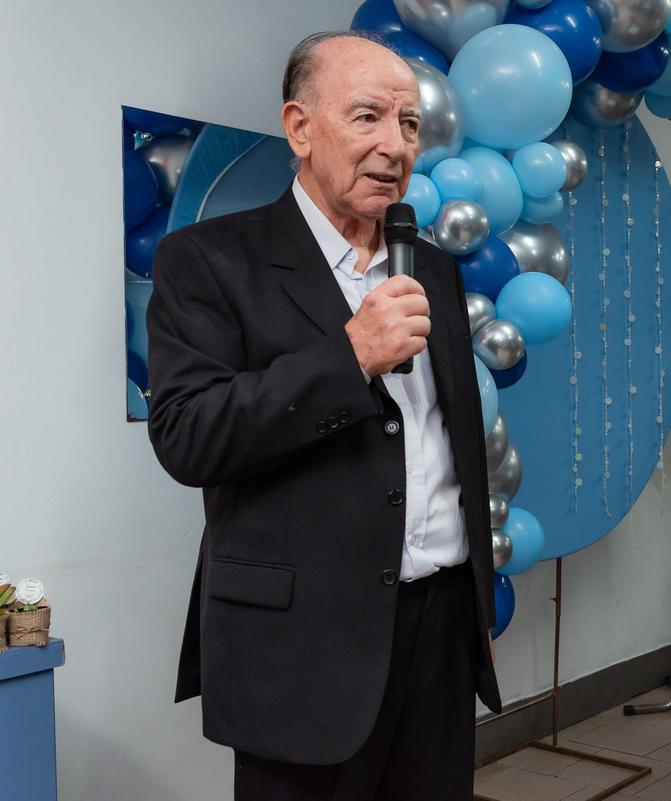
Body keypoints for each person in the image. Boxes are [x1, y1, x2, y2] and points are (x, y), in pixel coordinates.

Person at [146, 30, 500, 801]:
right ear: (300, 128)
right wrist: (351, 357)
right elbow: (187, 433)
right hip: (300, 648)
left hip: (439, 629)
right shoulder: (207, 261)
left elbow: (448, 446)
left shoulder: (431, 265)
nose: (394, 144)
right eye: (368, 116)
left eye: (409, 124)